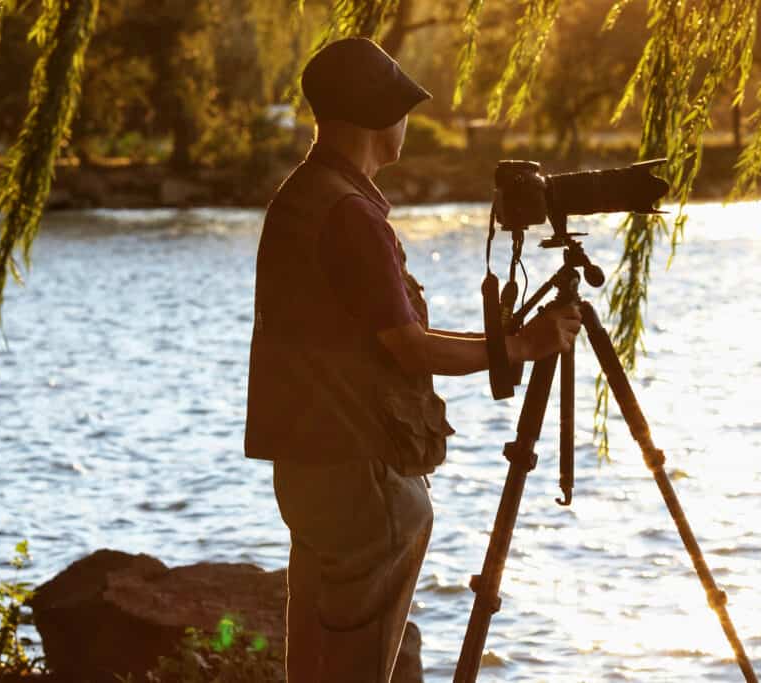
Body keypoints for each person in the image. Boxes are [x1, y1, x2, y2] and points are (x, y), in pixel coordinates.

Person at [244, 38, 582, 683]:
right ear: (377, 115)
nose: (408, 124)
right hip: (361, 475)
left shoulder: (306, 195)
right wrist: (521, 347)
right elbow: (408, 348)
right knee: (359, 665)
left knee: (319, 657)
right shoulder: (350, 215)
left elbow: (383, 335)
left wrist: (503, 341)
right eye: (402, 110)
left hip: (311, 467)